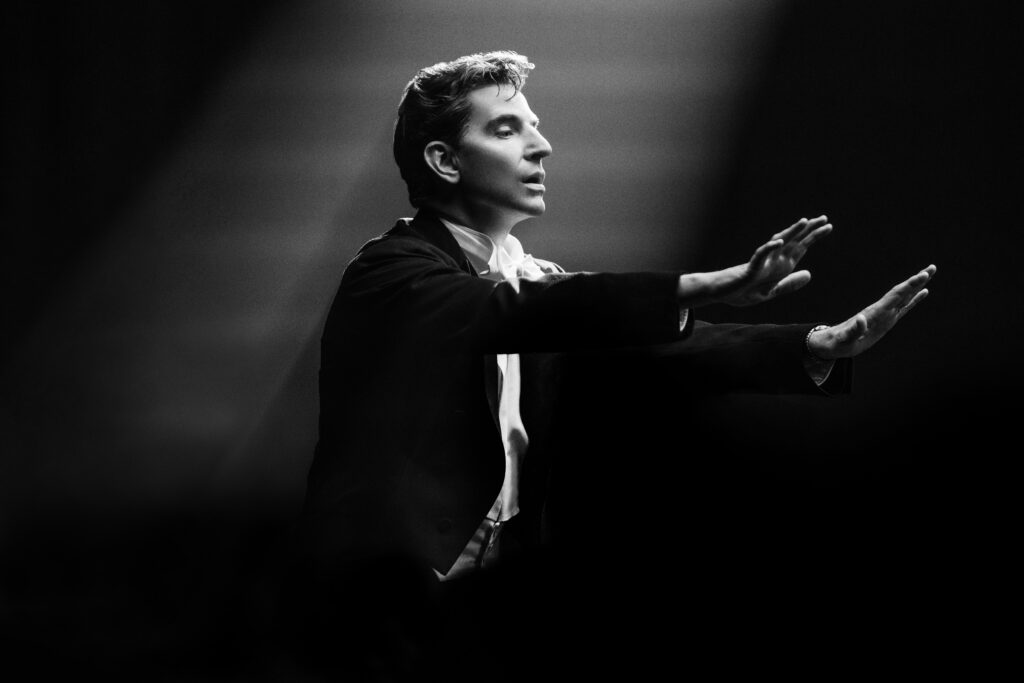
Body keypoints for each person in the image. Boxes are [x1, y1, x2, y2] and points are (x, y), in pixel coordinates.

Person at [283, 50, 935, 680]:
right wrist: (701, 283)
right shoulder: (392, 271)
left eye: (536, 128)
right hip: (379, 597)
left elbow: (651, 342)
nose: (541, 148)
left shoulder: (530, 278)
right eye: (509, 129)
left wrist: (810, 346)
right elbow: (523, 309)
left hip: (477, 605)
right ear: (444, 160)